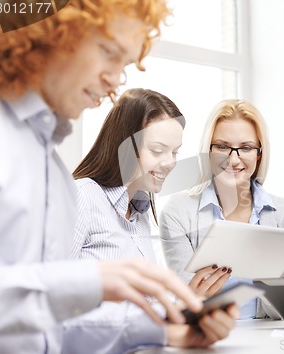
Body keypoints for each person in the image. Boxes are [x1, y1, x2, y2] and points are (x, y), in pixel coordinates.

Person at [0, 1, 235, 352]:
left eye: (125, 63)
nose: (115, 80)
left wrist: (167, 329)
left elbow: (47, 328)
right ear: (51, 32)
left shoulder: (52, 173)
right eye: (108, 52)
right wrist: (86, 283)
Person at [64, 88, 237, 353]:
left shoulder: (140, 214)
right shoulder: (81, 197)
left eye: (175, 152)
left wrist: (187, 301)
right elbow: (51, 304)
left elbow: (135, 310)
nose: (169, 163)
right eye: (157, 150)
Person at [160, 99, 284, 319]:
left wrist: (270, 277)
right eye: (222, 146)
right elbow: (188, 303)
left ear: (259, 153)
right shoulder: (177, 212)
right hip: (206, 336)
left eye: (245, 148)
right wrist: (194, 295)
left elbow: (281, 312)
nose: (233, 159)